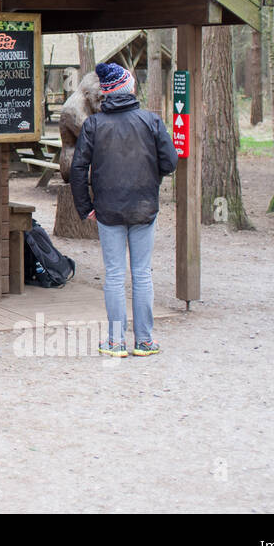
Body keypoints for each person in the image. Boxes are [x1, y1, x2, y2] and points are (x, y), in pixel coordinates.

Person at [69, 62, 178, 358]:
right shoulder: (151, 121)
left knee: (115, 275)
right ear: (128, 88)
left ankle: (115, 341)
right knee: (142, 274)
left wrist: (85, 207)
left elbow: (77, 169)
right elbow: (170, 162)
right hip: (144, 208)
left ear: (107, 92)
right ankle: (144, 341)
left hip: (107, 211)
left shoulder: (93, 125)